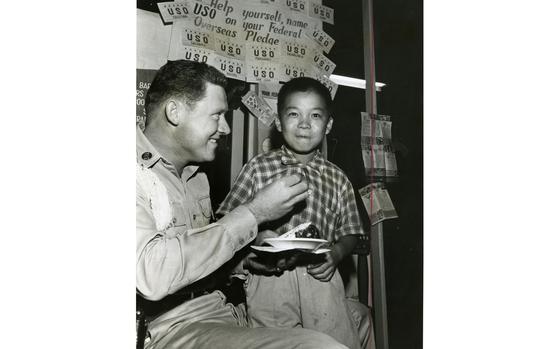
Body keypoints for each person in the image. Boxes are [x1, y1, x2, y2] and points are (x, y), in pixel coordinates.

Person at [136, 60, 350, 349]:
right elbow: (152, 276)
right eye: (217, 116)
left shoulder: (196, 177)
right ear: (174, 112)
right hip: (170, 325)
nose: (225, 128)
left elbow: (200, 257)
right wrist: (255, 212)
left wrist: (244, 259)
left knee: (358, 319)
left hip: (220, 308)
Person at [218, 77, 373, 349]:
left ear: (328, 125)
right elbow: (227, 222)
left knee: (333, 343)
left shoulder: (337, 178)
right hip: (269, 280)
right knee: (275, 343)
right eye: (293, 114)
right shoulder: (258, 168)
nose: (304, 123)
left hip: (320, 275)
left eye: (315, 115)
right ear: (279, 123)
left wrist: (336, 254)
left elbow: (351, 233)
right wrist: (255, 243)